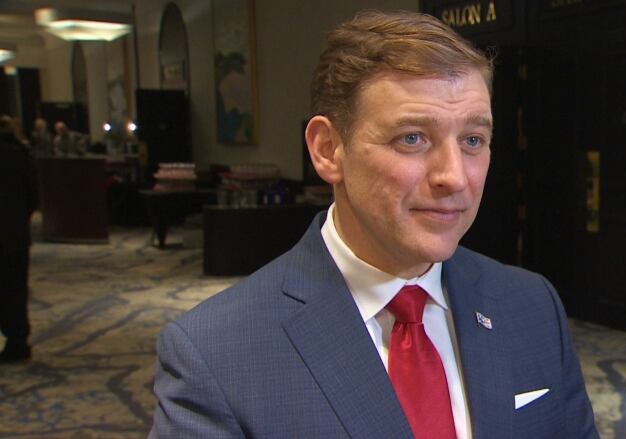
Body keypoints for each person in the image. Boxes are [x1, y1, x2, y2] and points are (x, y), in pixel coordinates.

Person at [150, 10, 598, 438]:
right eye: (412, 138)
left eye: (473, 140)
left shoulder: (530, 305)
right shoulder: (216, 352)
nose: (455, 176)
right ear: (328, 149)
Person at [0, 115, 38, 363]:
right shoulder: (21, 155)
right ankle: (17, 340)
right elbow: (33, 196)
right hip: (16, 233)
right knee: (15, 288)